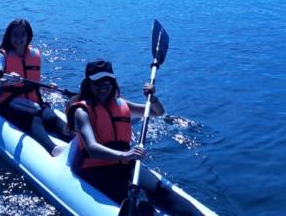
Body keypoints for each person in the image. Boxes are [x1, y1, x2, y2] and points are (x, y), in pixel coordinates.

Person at [66, 59, 205, 215]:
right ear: (88, 84)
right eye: (97, 82)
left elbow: (157, 112)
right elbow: (92, 149)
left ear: (113, 82)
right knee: (140, 198)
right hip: (97, 168)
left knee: (164, 192)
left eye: (107, 81)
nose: (103, 85)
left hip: (125, 163)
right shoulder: (82, 112)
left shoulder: (121, 104)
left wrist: (152, 98)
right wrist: (125, 154)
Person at [0, 18, 72, 155]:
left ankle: (76, 141)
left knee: (50, 116)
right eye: (14, 34)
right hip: (8, 102)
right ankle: (53, 149)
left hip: (32, 100)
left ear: (28, 36)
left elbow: (33, 79)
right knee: (33, 117)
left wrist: (46, 87)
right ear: (9, 36)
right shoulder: (1, 56)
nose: (18, 38)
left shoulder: (34, 54)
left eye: (22, 34)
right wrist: (8, 80)